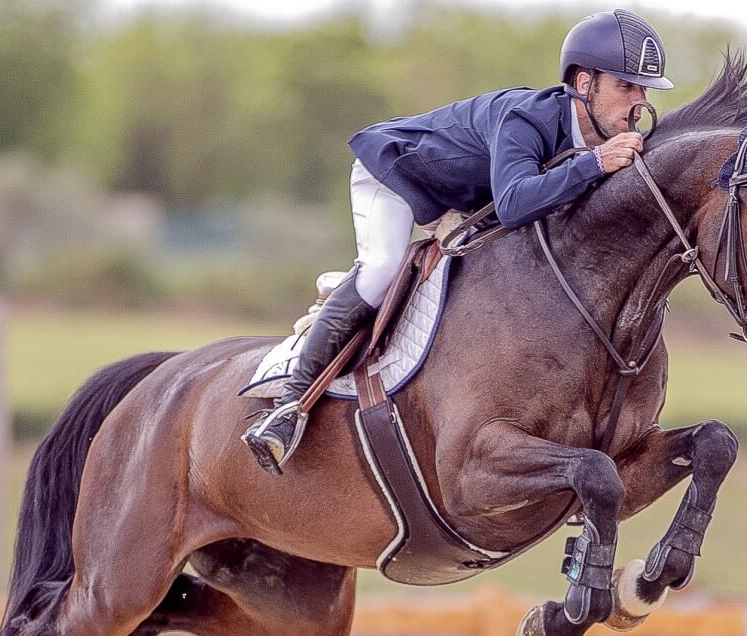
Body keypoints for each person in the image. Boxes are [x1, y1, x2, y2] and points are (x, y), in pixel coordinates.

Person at [242, 8, 674, 475]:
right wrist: (595, 164)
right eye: (626, 87)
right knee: (381, 269)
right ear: (585, 84)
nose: (638, 102)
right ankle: (289, 406)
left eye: (644, 90)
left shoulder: (602, 136)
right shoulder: (526, 119)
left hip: (461, 203)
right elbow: (514, 203)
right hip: (397, 175)